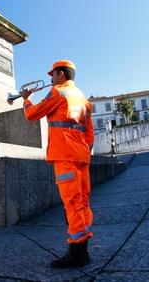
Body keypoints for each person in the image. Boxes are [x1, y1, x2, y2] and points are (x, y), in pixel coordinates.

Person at [21, 59, 94, 268]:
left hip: (65, 155)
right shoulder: (83, 98)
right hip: (81, 156)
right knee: (82, 202)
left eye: (52, 74)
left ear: (61, 74)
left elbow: (32, 115)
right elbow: (89, 134)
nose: (50, 78)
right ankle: (83, 249)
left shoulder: (58, 92)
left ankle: (77, 253)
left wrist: (26, 99)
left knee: (71, 203)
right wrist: (82, 150)